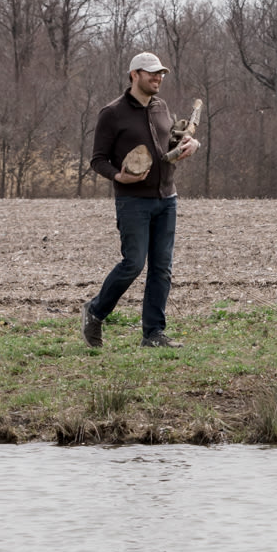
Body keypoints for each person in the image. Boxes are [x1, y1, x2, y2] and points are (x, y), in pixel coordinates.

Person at [82, 52, 201, 348]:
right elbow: (97, 160)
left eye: (160, 73)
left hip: (167, 198)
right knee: (133, 263)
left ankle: (153, 334)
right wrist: (119, 177)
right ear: (134, 75)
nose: (158, 78)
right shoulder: (112, 113)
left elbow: (172, 142)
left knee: (162, 268)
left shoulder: (162, 107)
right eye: (151, 73)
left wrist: (191, 143)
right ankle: (95, 313)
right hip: (133, 201)